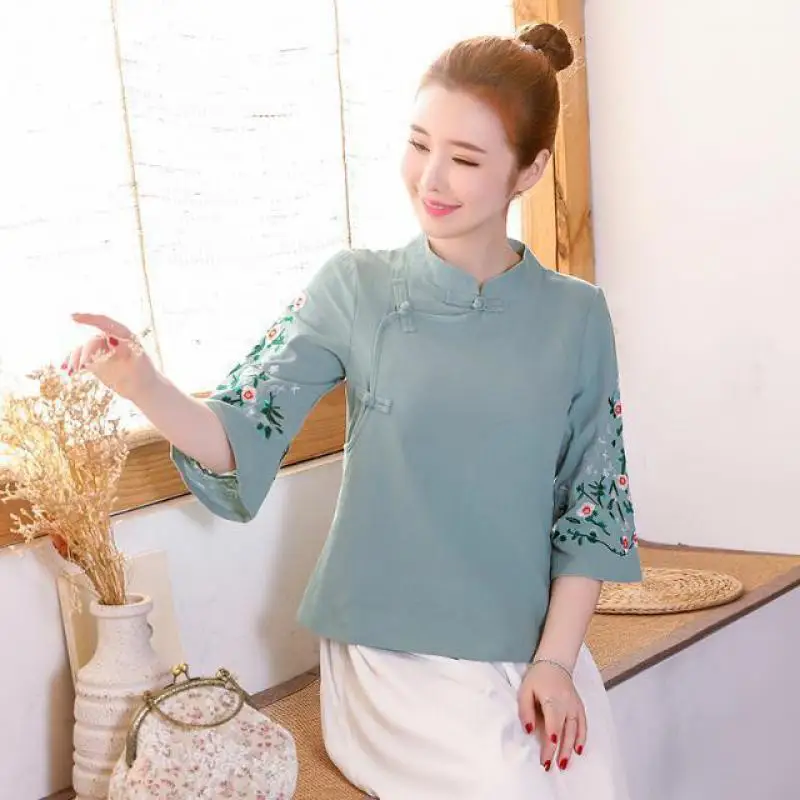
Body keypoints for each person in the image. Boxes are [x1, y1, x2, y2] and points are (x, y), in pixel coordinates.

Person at [65, 21, 641, 800]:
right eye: (419, 143)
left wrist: (556, 663)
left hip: (531, 639)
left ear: (530, 170)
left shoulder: (578, 315)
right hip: (391, 646)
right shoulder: (356, 287)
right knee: (510, 787)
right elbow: (240, 432)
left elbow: (593, 511)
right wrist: (143, 383)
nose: (431, 177)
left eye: (466, 159)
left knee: (592, 784)